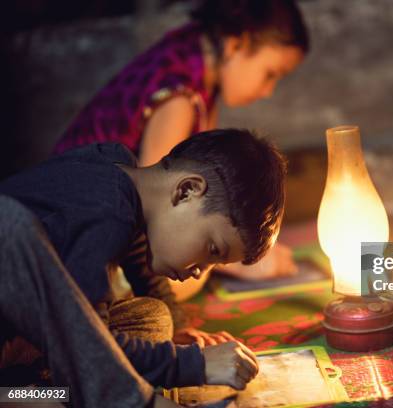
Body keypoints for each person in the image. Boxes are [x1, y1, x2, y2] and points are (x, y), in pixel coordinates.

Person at [0, 129, 286, 405]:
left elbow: (138, 254)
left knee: (156, 320)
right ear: (187, 191)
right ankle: (20, 396)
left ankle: (28, 389)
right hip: (20, 338)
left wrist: (180, 328)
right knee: (93, 370)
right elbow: (93, 345)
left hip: (28, 332)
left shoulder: (116, 172)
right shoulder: (106, 211)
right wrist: (195, 364)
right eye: (212, 250)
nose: (200, 271)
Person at [53, 0, 309, 299]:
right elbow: (159, 222)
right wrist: (234, 261)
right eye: (270, 74)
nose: (268, 91)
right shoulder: (179, 99)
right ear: (237, 44)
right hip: (76, 239)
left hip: (98, 218)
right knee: (180, 286)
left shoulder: (189, 54)